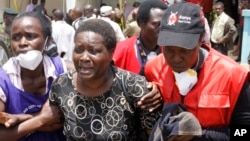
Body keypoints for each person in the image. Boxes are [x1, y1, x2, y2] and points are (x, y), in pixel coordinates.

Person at [30, 19, 160, 140]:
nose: (84, 57)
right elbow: (50, 121)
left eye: (93, 51)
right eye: (79, 50)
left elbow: (154, 135)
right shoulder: (62, 85)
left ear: (110, 53)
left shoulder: (134, 86)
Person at [145, 2, 250, 140]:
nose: (176, 59)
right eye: (168, 49)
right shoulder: (152, 69)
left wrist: (199, 135)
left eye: (185, 50)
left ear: (201, 39)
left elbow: (243, 132)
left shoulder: (233, 76)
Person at [0, 11, 67, 141]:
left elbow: (67, 117)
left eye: (30, 36)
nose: (22, 43)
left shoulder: (62, 70)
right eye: (16, 38)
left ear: (47, 41)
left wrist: (22, 119)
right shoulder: (3, 79)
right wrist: (41, 119)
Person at [113, 0, 168, 75]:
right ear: (141, 23)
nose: (163, 28)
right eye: (157, 24)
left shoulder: (170, 51)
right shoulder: (122, 51)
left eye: (165, 24)